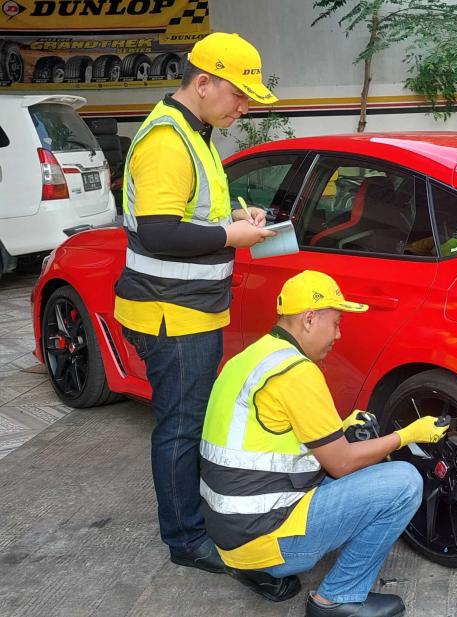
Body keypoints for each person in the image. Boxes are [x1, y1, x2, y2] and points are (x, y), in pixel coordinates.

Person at [114, 32, 277, 573]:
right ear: (203, 83)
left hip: (187, 307)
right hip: (171, 314)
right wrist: (231, 236)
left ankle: (191, 520)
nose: (243, 107)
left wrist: (237, 217)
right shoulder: (168, 141)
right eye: (239, 95)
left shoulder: (194, 132)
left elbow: (190, 214)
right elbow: (160, 232)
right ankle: (186, 540)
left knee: (186, 423)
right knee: (181, 430)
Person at [200, 270, 446, 617]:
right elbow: (341, 464)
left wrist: (339, 430)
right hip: (262, 539)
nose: (338, 335)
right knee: (404, 482)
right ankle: (337, 598)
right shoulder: (296, 371)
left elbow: (271, 440)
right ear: (309, 319)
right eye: (336, 323)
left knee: (354, 460)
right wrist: (407, 435)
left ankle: (259, 569)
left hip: (229, 535)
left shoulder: (249, 359)